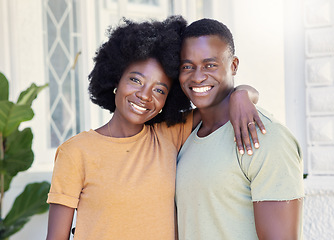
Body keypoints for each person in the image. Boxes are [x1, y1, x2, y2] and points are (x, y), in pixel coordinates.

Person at [46, 16, 263, 240]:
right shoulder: (76, 152)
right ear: (115, 80)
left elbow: (220, 101)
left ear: (168, 100)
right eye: (136, 80)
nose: (144, 96)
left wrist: (241, 95)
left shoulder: (169, 135)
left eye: (159, 90)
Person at [175, 18, 305, 240]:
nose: (197, 76)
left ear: (233, 65)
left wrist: (242, 93)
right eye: (188, 66)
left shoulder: (266, 137)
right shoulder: (184, 136)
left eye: (210, 65)